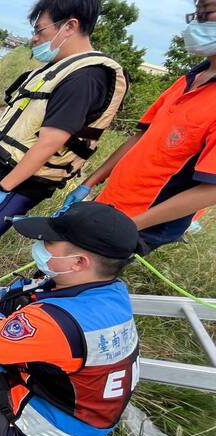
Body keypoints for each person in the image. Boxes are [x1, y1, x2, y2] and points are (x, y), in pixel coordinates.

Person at [0, 0, 128, 284]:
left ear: (70, 26)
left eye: (40, 30)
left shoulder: (86, 78)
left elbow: (50, 142)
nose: (35, 38)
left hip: (29, 178)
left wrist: (5, 187)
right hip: (6, 164)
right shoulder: (59, 67)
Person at [0, 202, 140, 436]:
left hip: (33, 431)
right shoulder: (108, 290)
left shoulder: (55, 322)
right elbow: (22, 296)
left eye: (49, 242)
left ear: (79, 262)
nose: (40, 246)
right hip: (69, 406)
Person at [62, 0, 216, 252]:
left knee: (71, 274)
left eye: (206, 13)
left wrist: (130, 226)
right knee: (54, 266)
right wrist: (90, 183)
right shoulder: (189, 79)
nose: (198, 22)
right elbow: (140, 138)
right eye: (196, 14)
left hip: (142, 223)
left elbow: (211, 191)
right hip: (111, 202)